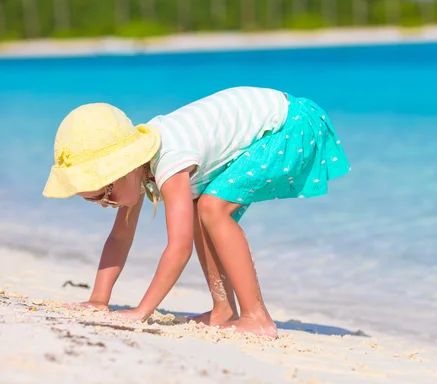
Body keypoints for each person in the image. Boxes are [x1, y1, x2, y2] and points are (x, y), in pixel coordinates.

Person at [43, 86, 350, 337]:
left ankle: (257, 317)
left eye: (105, 195)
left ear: (123, 168)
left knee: (211, 208)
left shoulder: (169, 161)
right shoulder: (136, 171)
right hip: (279, 123)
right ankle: (223, 309)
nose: (105, 205)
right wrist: (98, 301)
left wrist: (141, 311)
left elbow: (178, 249)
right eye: (93, 200)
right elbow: (120, 238)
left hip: (290, 125)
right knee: (197, 208)